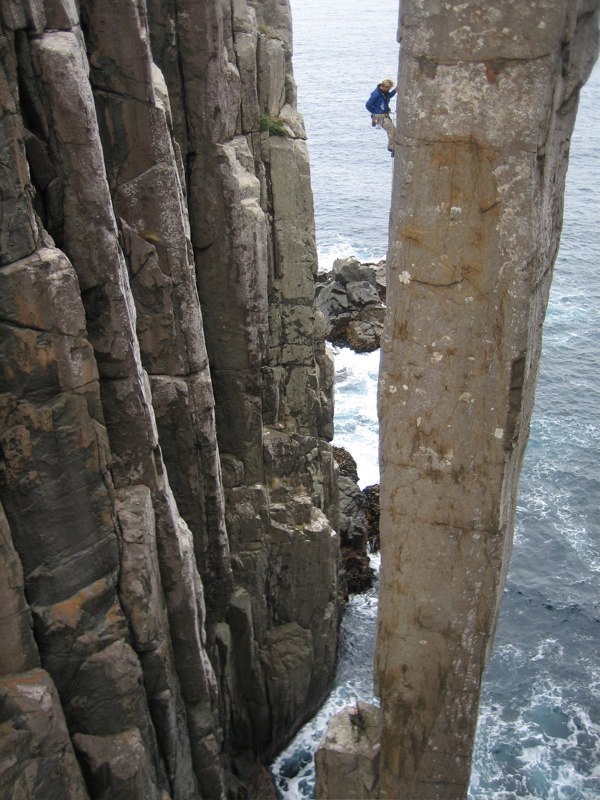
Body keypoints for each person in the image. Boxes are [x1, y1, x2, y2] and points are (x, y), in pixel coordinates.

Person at [365, 79, 396, 156]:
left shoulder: (384, 92)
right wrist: (374, 113)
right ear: (384, 86)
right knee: (391, 130)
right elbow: (368, 105)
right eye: (388, 88)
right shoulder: (376, 94)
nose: (389, 90)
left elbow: (389, 96)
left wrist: (395, 90)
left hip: (385, 114)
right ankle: (391, 147)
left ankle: (392, 146)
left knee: (393, 130)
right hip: (380, 116)